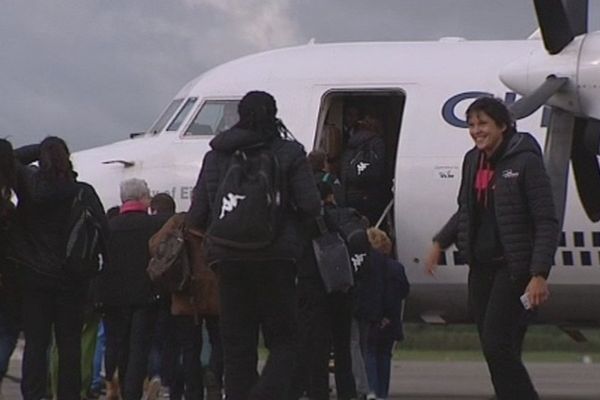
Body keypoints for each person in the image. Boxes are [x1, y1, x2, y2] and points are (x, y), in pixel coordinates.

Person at [186, 90, 321, 399]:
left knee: (236, 345)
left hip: (227, 259)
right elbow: (311, 205)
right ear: (274, 114)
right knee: (287, 339)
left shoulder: (216, 155)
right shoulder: (289, 152)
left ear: (239, 115)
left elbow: (198, 214)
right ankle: (266, 393)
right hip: (277, 257)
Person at [425, 97, 559, 400]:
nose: (476, 130)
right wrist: (440, 241)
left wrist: (538, 273)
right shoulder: (473, 160)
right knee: (495, 347)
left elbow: (545, 220)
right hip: (481, 266)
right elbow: (466, 209)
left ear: (502, 125)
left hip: (512, 268)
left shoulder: (525, 161)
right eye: (471, 125)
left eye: (483, 123)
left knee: (497, 343)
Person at [10, 136, 108, 400]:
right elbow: (103, 233)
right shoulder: (82, 191)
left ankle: (33, 394)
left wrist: (41, 147)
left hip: (33, 276)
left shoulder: (28, 187)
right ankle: (68, 395)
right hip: (72, 279)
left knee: (36, 344)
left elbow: (10, 157)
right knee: (69, 346)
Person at [96, 178, 167, 400]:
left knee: (120, 346)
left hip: (114, 298)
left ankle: (122, 386)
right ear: (142, 199)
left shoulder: (109, 227)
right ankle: (133, 392)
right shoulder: (155, 226)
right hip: (146, 295)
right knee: (140, 348)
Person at [290, 181, 360, 400]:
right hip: (340, 287)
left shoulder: (297, 222)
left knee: (315, 348)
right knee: (342, 347)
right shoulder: (336, 218)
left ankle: (316, 392)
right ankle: (347, 392)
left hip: (313, 287)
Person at [364, 228, 409, 400]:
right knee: (384, 355)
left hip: (374, 316)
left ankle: (372, 391)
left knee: (370, 352)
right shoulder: (397, 267)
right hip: (391, 318)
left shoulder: (369, 267)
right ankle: (383, 393)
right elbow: (404, 290)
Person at [340, 114, 387, 225]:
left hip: (350, 192)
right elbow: (379, 170)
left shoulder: (352, 142)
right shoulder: (377, 142)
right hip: (369, 193)